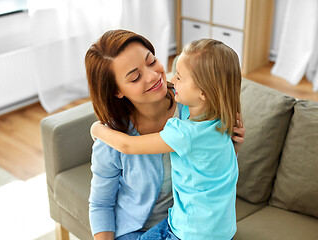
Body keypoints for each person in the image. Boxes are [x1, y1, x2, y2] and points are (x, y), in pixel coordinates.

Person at [85, 30, 245, 240]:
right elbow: (100, 204)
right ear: (117, 91)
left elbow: (210, 171)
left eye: (151, 61)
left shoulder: (195, 110)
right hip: (139, 231)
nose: (153, 76)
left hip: (189, 230)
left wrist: (232, 146)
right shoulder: (111, 139)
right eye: (135, 77)